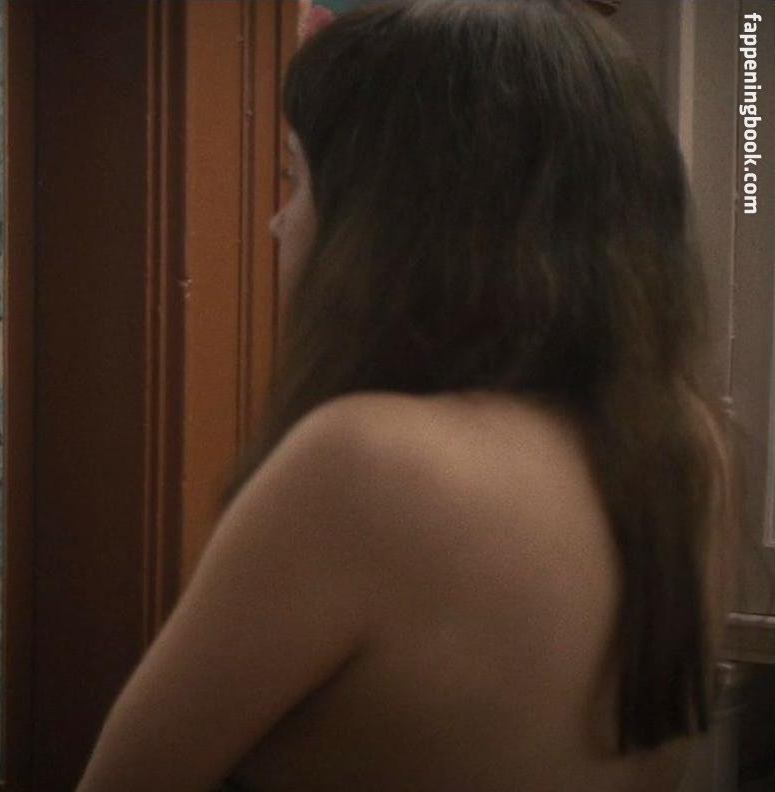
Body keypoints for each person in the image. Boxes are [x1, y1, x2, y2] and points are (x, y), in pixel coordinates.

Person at [79, 1, 726, 789]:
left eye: (296, 178)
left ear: (394, 216)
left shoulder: (365, 461)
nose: (278, 223)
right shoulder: (684, 443)